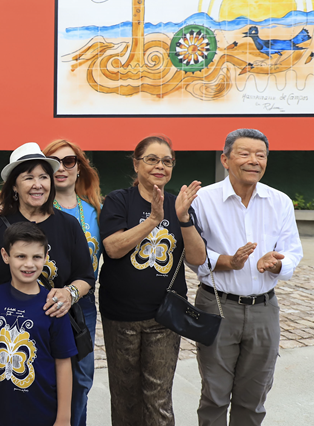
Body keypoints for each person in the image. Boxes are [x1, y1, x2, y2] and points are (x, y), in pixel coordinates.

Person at [188, 129, 303, 426]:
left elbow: (293, 252)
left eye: (260, 155)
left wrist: (276, 264)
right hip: (216, 304)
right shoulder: (203, 200)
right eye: (245, 153)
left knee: (254, 396)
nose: (254, 161)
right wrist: (228, 261)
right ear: (225, 159)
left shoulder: (280, 202)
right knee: (214, 394)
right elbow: (195, 257)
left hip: (265, 309)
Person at [0, 142, 94, 417]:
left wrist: (68, 294)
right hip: (11, 331)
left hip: (58, 325)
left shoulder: (68, 225)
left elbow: (86, 277)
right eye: (28, 177)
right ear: (14, 186)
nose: (38, 184)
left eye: (43, 177)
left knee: (74, 388)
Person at [98, 135, 206, 426]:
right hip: (121, 315)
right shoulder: (118, 200)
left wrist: (182, 218)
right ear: (136, 164)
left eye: (167, 161)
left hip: (164, 316)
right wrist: (152, 220)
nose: (160, 166)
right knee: (125, 397)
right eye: (152, 159)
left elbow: (197, 258)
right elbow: (113, 247)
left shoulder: (179, 204)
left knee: (158, 397)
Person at [0, 222, 77, 426]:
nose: (29, 264)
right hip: (0, 415)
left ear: (46, 257)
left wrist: (64, 418)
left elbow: (63, 363)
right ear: (5, 256)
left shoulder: (53, 305)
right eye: (21, 256)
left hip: (43, 416)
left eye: (36, 257)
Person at [42, 139, 102, 426]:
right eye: (54, 162)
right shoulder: (39, 208)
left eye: (69, 161)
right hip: (44, 302)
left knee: (80, 378)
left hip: (83, 306)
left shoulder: (94, 210)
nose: (61, 168)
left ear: (79, 167)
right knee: (47, 375)